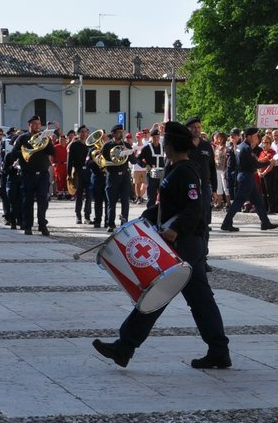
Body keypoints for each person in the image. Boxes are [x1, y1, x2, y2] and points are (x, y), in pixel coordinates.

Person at [91, 121, 231, 370]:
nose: (163, 146)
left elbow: (194, 208)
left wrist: (175, 230)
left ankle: (124, 347)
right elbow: (172, 206)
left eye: (166, 142)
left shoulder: (186, 171)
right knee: (201, 300)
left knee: (158, 292)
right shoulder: (176, 169)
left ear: (171, 145)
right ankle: (219, 351)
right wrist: (148, 216)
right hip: (189, 243)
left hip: (186, 243)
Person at [220, 128, 278, 231]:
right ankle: (226, 223)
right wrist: (269, 162)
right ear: (249, 137)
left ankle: (265, 222)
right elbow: (255, 164)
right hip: (246, 177)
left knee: (258, 200)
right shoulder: (246, 148)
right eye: (255, 136)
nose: (257, 138)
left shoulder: (240, 146)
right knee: (238, 201)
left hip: (245, 175)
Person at [14, 116, 53, 236]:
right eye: (35, 124)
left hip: (42, 174)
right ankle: (27, 226)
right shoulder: (22, 138)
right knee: (27, 201)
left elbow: (52, 152)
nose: (37, 126)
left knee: (43, 201)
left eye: (39, 123)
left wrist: (47, 141)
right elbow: (13, 153)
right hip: (28, 174)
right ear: (29, 125)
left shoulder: (44, 138)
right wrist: (27, 150)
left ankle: (42, 225)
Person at [103, 124, 132, 231]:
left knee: (125, 200)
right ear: (113, 134)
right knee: (112, 201)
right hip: (113, 175)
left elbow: (133, 160)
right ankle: (110, 224)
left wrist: (129, 152)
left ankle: (124, 223)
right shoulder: (107, 146)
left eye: (122, 132)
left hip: (124, 175)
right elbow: (103, 161)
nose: (121, 134)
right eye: (119, 132)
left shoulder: (126, 145)